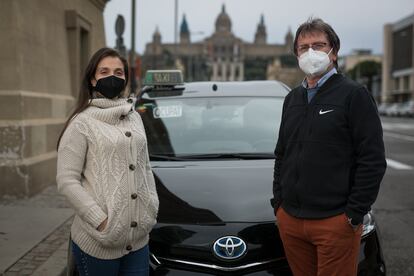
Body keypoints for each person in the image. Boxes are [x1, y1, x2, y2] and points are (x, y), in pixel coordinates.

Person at [272, 18, 386, 276]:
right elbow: (282, 154)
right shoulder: (292, 99)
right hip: (291, 220)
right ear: (296, 54)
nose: (311, 52)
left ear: (334, 52)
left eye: (319, 45)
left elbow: (373, 160)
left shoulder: (354, 95)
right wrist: (279, 204)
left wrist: (352, 215)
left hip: (334, 222)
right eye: (304, 47)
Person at [56, 47, 159, 276]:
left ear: (125, 79)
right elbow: (66, 180)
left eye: (119, 72)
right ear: (93, 79)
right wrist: (100, 221)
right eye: (104, 71)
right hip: (98, 243)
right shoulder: (81, 122)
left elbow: (145, 167)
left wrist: (151, 206)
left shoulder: (134, 118)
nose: (112, 77)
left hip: (138, 241)